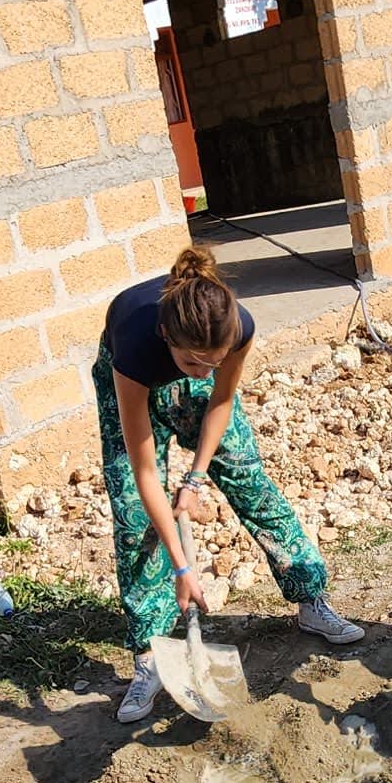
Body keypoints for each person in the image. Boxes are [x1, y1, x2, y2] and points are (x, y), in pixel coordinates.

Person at [97, 244, 362, 723]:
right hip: (131, 376)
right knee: (135, 518)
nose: (205, 373)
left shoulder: (234, 329)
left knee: (247, 477)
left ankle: (309, 597)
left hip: (189, 352)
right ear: (166, 336)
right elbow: (144, 472)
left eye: (213, 363)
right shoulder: (136, 349)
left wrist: (195, 479)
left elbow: (219, 401)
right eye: (196, 363)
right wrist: (182, 569)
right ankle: (150, 655)